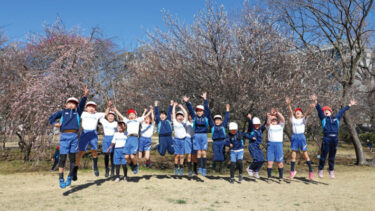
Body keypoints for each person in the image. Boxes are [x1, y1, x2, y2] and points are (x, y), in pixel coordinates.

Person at [48, 86, 88, 188]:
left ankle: (70, 176)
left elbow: (82, 104)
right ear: (66, 105)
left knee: (72, 158)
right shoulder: (62, 113)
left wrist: (85, 95)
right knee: (62, 158)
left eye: (73, 103)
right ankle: (61, 178)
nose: (71, 105)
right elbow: (51, 118)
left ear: (76, 106)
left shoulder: (77, 112)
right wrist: (54, 123)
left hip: (74, 136)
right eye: (69, 103)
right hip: (64, 136)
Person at [311, 94, 357, 178]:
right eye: (324, 111)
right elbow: (319, 110)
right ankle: (320, 170)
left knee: (332, 156)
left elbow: (342, 111)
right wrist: (315, 102)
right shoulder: (323, 118)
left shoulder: (336, 118)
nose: (326, 111)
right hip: (326, 138)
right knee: (324, 155)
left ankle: (331, 170)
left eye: (327, 110)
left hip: (334, 139)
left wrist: (350, 105)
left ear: (331, 112)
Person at [74, 100, 111, 179]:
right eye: (89, 106)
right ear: (86, 108)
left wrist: (108, 107)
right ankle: (75, 169)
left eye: (93, 107)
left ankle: (95, 166)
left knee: (94, 150)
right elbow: (77, 109)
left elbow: (105, 114)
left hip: (93, 133)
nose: (91, 108)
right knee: (80, 152)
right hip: (85, 133)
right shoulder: (83, 114)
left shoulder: (97, 114)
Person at [113, 107, 152, 174]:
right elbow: (121, 116)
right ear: (128, 116)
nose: (131, 116)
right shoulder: (127, 121)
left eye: (132, 114)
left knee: (132, 156)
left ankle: (135, 165)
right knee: (126, 156)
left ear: (135, 115)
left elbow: (144, 116)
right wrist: (116, 110)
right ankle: (131, 165)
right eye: (129, 115)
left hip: (135, 139)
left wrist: (150, 111)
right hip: (128, 139)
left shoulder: (137, 120)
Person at [285, 97, 314, 180]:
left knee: (305, 154)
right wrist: (289, 105)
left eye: (299, 112)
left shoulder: (303, 120)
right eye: (296, 112)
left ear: (301, 114)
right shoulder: (293, 120)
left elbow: (307, 114)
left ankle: (311, 171)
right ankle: (292, 171)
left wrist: (310, 108)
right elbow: (290, 112)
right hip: (294, 136)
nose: (297, 113)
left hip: (301, 137)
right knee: (293, 154)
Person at [183, 93, 210, 176]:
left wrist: (205, 99)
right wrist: (187, 102)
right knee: (198, 152)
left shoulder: (205, 116)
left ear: (203, 112)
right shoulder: (195, 117)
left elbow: (207, 109)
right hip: (196, 135)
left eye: (200, 111)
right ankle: (200, 167)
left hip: (204, 135)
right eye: (197, 111)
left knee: (203, 152)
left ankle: (204, 168)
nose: (199, 112)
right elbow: (190, 109)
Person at [204, 95, 230, 173]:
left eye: (219, 120)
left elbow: (226, 119)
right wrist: (206, 107)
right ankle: (214, 168)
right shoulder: (212, 126)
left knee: (222, 155)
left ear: (221, 121)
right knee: (216, 155)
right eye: (216, 120)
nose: (217, 121)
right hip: (215, 142)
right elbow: (208, 116)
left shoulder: (223, 126)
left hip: (222, 141)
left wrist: (227, 111)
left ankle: (222, 168)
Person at [266, 109, 286, 182]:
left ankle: (281, 177)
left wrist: (277, 112)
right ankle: (269, 177)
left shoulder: (280, 126)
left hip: (278, 145)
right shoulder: (269, 126)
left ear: (277, 121)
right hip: (271, 144)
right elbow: (268, 122)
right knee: (269, 162)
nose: (274, 121)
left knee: (279, 163)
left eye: (275, 120)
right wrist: (271, 115)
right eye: (273, 120)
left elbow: (283, 119)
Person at [246, 113, 267, 179]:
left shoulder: (260, 130)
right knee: (256, 159)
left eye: (258, 124)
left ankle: (256, 171)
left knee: (262, 160)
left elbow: (265, 124)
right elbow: (250, 125)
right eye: (255, 125)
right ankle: (250, 168)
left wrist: (267, 117)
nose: (257, 126)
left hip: (258, 146)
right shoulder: (251, 129)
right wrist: (250, 119)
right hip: (252, 146)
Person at [100, 101, 118, 177]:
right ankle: (107, 169)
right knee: (106, 154)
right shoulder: (104, 121)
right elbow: (103, 115)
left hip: (113, 139)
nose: (110, 117)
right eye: (109, 116)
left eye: (112, 116)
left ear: (114, 117)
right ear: (107, 117)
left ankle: (112, 170)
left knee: (112, 155)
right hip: (106, 138)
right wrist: (108, 107)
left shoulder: (116, 123)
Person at [172, 103, 188, 175]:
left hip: (183, 140)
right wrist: (174, 106)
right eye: (178, 116)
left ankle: (181, 168)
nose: (179, 117)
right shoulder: (175, 122)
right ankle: (175, 168)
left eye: (181, 116)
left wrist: (181, 106)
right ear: (176, 117)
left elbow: (186, 113)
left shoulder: (184, 122)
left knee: (181, 155)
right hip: (176, 140)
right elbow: (173, 113)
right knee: (176, 155)